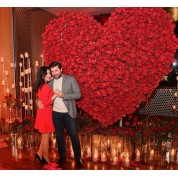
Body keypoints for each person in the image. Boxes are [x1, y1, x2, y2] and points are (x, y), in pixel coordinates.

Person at [37, 61, 83, 168]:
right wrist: (37, 101)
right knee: (59, 137)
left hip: (69, 113)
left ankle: (78, 158)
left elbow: (78, 94)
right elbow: (42, 94)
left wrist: (64, 95)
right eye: (52, 71)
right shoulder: (49, 81)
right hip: (55, 114)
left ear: (61, 69)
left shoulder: (70, 79)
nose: (54, 73)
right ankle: (62, 157)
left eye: (56, 71)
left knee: (74, 136)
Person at [34, 66, 59, 164]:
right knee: (46, 136)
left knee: (44, 136)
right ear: (42, 75)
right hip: (45, 113)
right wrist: (55, 95)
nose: (49, 75)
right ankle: (46, 158)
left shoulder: (42, 85)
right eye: (47, 73)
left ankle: (39, 154)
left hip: (44, 112)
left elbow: (40, 99)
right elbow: (45, 102)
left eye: (50, 73)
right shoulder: (45, 86)